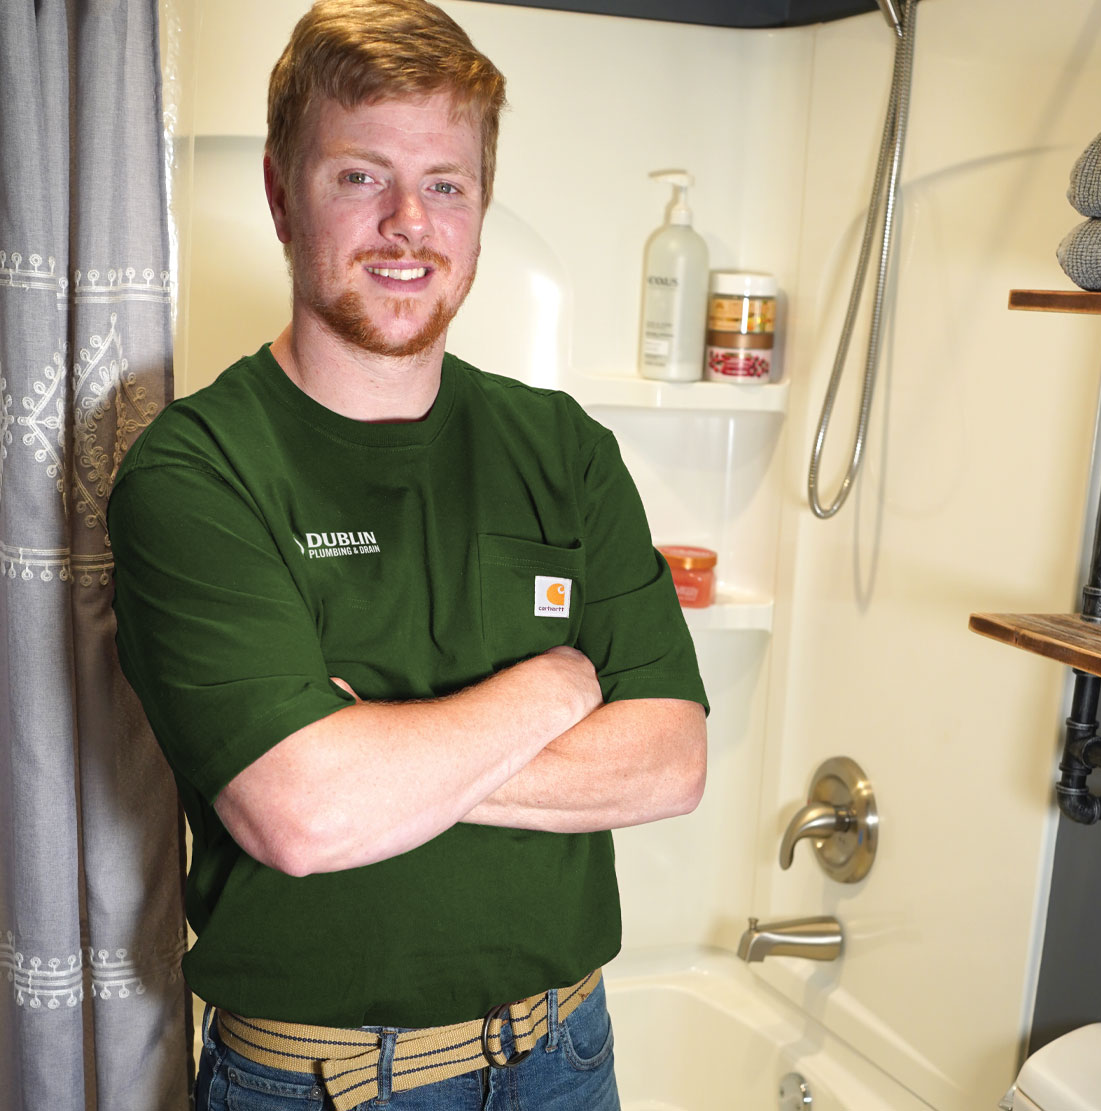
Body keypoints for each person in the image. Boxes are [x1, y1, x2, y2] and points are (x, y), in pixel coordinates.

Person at [108, 1, 708, 1107]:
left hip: (567, 1056)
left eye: (445, 184)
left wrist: (377, 749)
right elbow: (303, 813)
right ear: (284, 198)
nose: (407, 223)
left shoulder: (561, 447)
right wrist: (558, 684)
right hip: (321, 1082)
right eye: (358, 177)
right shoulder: (195, 473)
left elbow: (670, 762)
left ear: (478, 211)